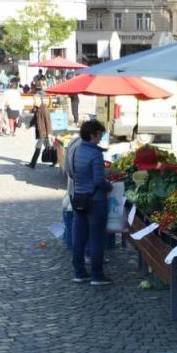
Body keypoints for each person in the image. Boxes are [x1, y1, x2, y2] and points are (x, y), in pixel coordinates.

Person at [69, 120, 113, 285]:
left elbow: (71, 172)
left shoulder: (76, 149)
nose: (101, 137)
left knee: (79, 238)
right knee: (96, 238)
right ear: (92, 134)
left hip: (78, 198)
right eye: (99, 134)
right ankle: (97, 275)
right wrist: (110, 187)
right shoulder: (95, 154)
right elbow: (98, 181)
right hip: (95, 201)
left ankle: (79, 272)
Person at [29, 94, 55, 168]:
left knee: (38, 146)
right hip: (41, 132)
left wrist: (50, 133)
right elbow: (34, 119)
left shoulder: (44, 109)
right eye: (33, 100)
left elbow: (48, 121)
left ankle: (32, 164)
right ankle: (55, 160)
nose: (34, 101)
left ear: (40, 100)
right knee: (49, 147)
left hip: (44, 132)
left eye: (35, 100)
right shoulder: (37, 108)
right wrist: (28, 126)